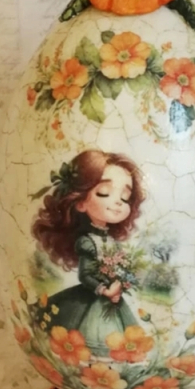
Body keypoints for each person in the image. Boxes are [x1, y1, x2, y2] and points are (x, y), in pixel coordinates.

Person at [31, 149, 145, 355]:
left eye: (125, 197)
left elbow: (119, 269)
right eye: (104, 192)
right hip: (94, 297)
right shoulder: (87, 242)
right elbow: (85, 276)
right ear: (81, 202)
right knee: (89, 337)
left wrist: (120, 283)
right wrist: (105, 290)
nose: (118, 202)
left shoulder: (111, 241)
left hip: (112, 299)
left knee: (121, 339)